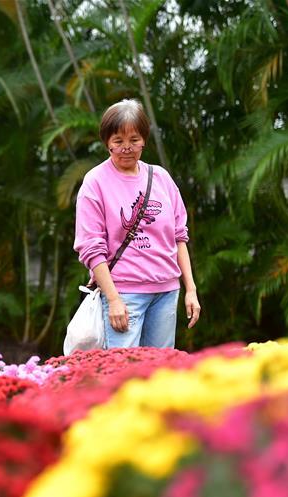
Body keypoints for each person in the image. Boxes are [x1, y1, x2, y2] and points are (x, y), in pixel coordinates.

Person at [73, 98, 200, 348]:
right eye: (118, 141)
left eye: (134, 140)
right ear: (107, 141)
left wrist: (191, 290)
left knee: (159, 374)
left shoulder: (161, 178)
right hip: (123, 294)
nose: (126, 148)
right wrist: (114, 299)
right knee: (123, 373)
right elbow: (91, 248)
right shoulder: (95, 182)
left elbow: (179, 237)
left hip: (166, 292)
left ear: (144, 139)